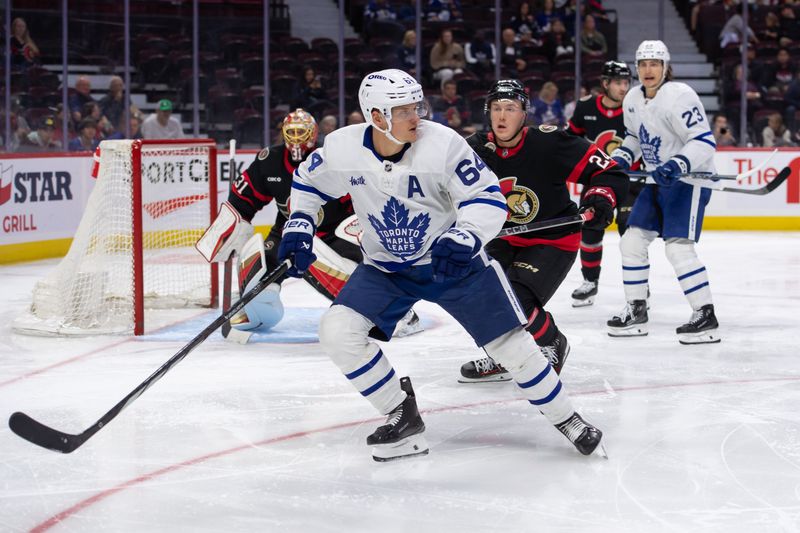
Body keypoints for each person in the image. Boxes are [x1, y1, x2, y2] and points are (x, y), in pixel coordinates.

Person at [277, 69, 605, 461]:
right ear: (377, 116)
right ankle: (401, 414)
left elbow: (487, 197)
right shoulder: (342, 147)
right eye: (404, 110)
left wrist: (465, 234)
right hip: (386, 269)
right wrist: (299, 222)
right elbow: (308, 183)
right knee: (337, 331)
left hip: (453, 263)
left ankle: (567, 418)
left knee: (511, 346)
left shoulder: (443, 144)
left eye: (417, 106)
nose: (416, 116)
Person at [196, 109, 422, 339]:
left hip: (333, 234)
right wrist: (231, 227)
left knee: (354, 273)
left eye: (301, 132)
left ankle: (396, 312)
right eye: (291, 132)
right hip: (288, 234)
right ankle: (258, 310)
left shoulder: (331, 158)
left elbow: (364, 198)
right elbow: (242, 201)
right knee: (256, 264)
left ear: (313, 134)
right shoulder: (269, 161)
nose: (296, 138)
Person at [457, 79, 628, 383]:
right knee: (479, 297)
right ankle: (503, 356)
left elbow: (606, 170)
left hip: (552, 238)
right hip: (501, 237)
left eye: (510, 108)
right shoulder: (473, 149)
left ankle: (551, 342)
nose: (502, 116)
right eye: (496, 108)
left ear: (524, 113)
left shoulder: (549, 143)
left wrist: (599, 198)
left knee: (516, 298)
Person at [607, 40, 720, 345]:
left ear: (666, 67)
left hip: (690, 179)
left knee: (678, 248)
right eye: (643, 64)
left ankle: (705, 315)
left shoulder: (680, 96)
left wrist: (678, 163)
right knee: (631, 241)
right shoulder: (632, 98)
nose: (648, 70)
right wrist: (621, 157)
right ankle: (636, 309)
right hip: (658, 181)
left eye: (654, 64)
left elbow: (704, 141)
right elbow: (633, 137)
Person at [567, 60, 642, 307]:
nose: (624, 87)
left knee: (630, 234)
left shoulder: (636, 107)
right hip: (596, 180)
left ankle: (639, 287)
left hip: (630, 182)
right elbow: (570, 141)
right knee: (590, 230)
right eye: (618, 82)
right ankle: (590, 283)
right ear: (605, 84)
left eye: (626, 82)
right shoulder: (586, 106)